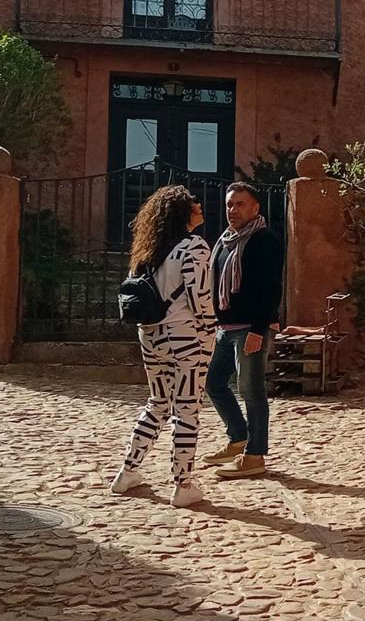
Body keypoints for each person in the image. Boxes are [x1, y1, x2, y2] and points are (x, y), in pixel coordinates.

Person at [111, 185, 216, 508]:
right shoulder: (193, 247)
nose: (199, 207)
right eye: (193, 204)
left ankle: (128, 469)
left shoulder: (147, 253)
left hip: (150, 335)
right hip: (184, 337)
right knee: (187, 408)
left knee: (158, 402)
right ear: (183, 213)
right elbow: (201, 298)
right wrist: (210, 332)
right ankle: (182, 483)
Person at [201, 182, 283, 478]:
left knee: (251, 389)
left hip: (251, 327)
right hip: (226, 327)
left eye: (240, 204)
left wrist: (258, 330)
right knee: (214, 383)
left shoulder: (265, 240)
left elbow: (271, 290)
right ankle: (238, 438)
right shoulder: (225, 241)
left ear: (255, 208)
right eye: (229, 204)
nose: (233, 210)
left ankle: (255, 455)